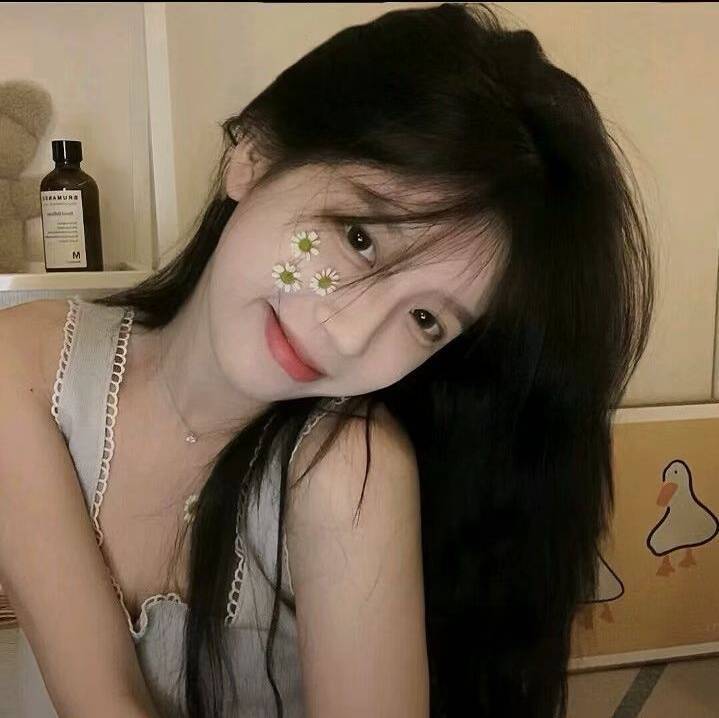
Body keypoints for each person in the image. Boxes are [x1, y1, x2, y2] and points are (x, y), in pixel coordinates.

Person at [1, 3, 655, 717]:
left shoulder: (349, 470)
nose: (349, 335)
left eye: (426, 319)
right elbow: (100, 699)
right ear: (253, 155)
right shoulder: (25, 365)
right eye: (359, 238)